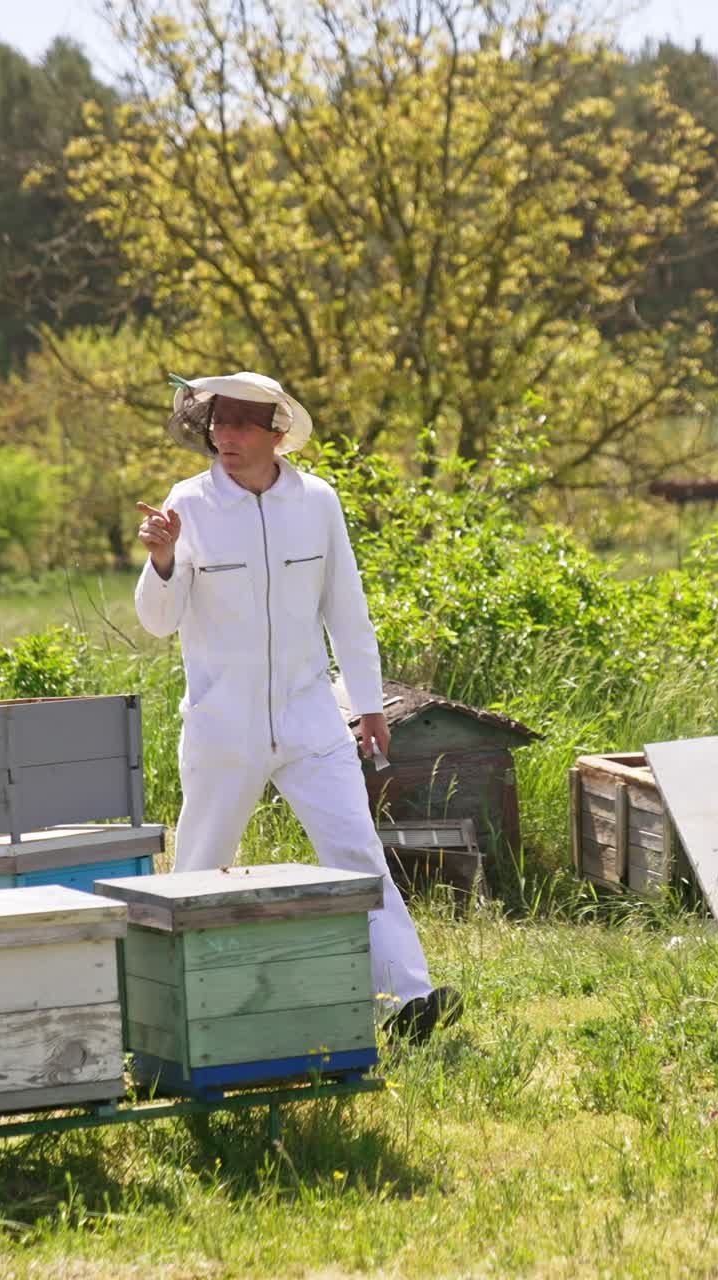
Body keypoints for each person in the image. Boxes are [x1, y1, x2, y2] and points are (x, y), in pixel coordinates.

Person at [134, 370, 461, 1044]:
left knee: (356, 851)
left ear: (278, 433)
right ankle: (162, 1015)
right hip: (225, 724)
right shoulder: (186, 505)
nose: (224, 435)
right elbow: (159, 621)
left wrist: (367, 702)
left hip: (313, 715)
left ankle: (409, 1000)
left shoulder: (318, 501)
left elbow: (346, 605)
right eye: (217, 421)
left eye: (241, 423)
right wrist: (162, 559)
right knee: (199, 864)